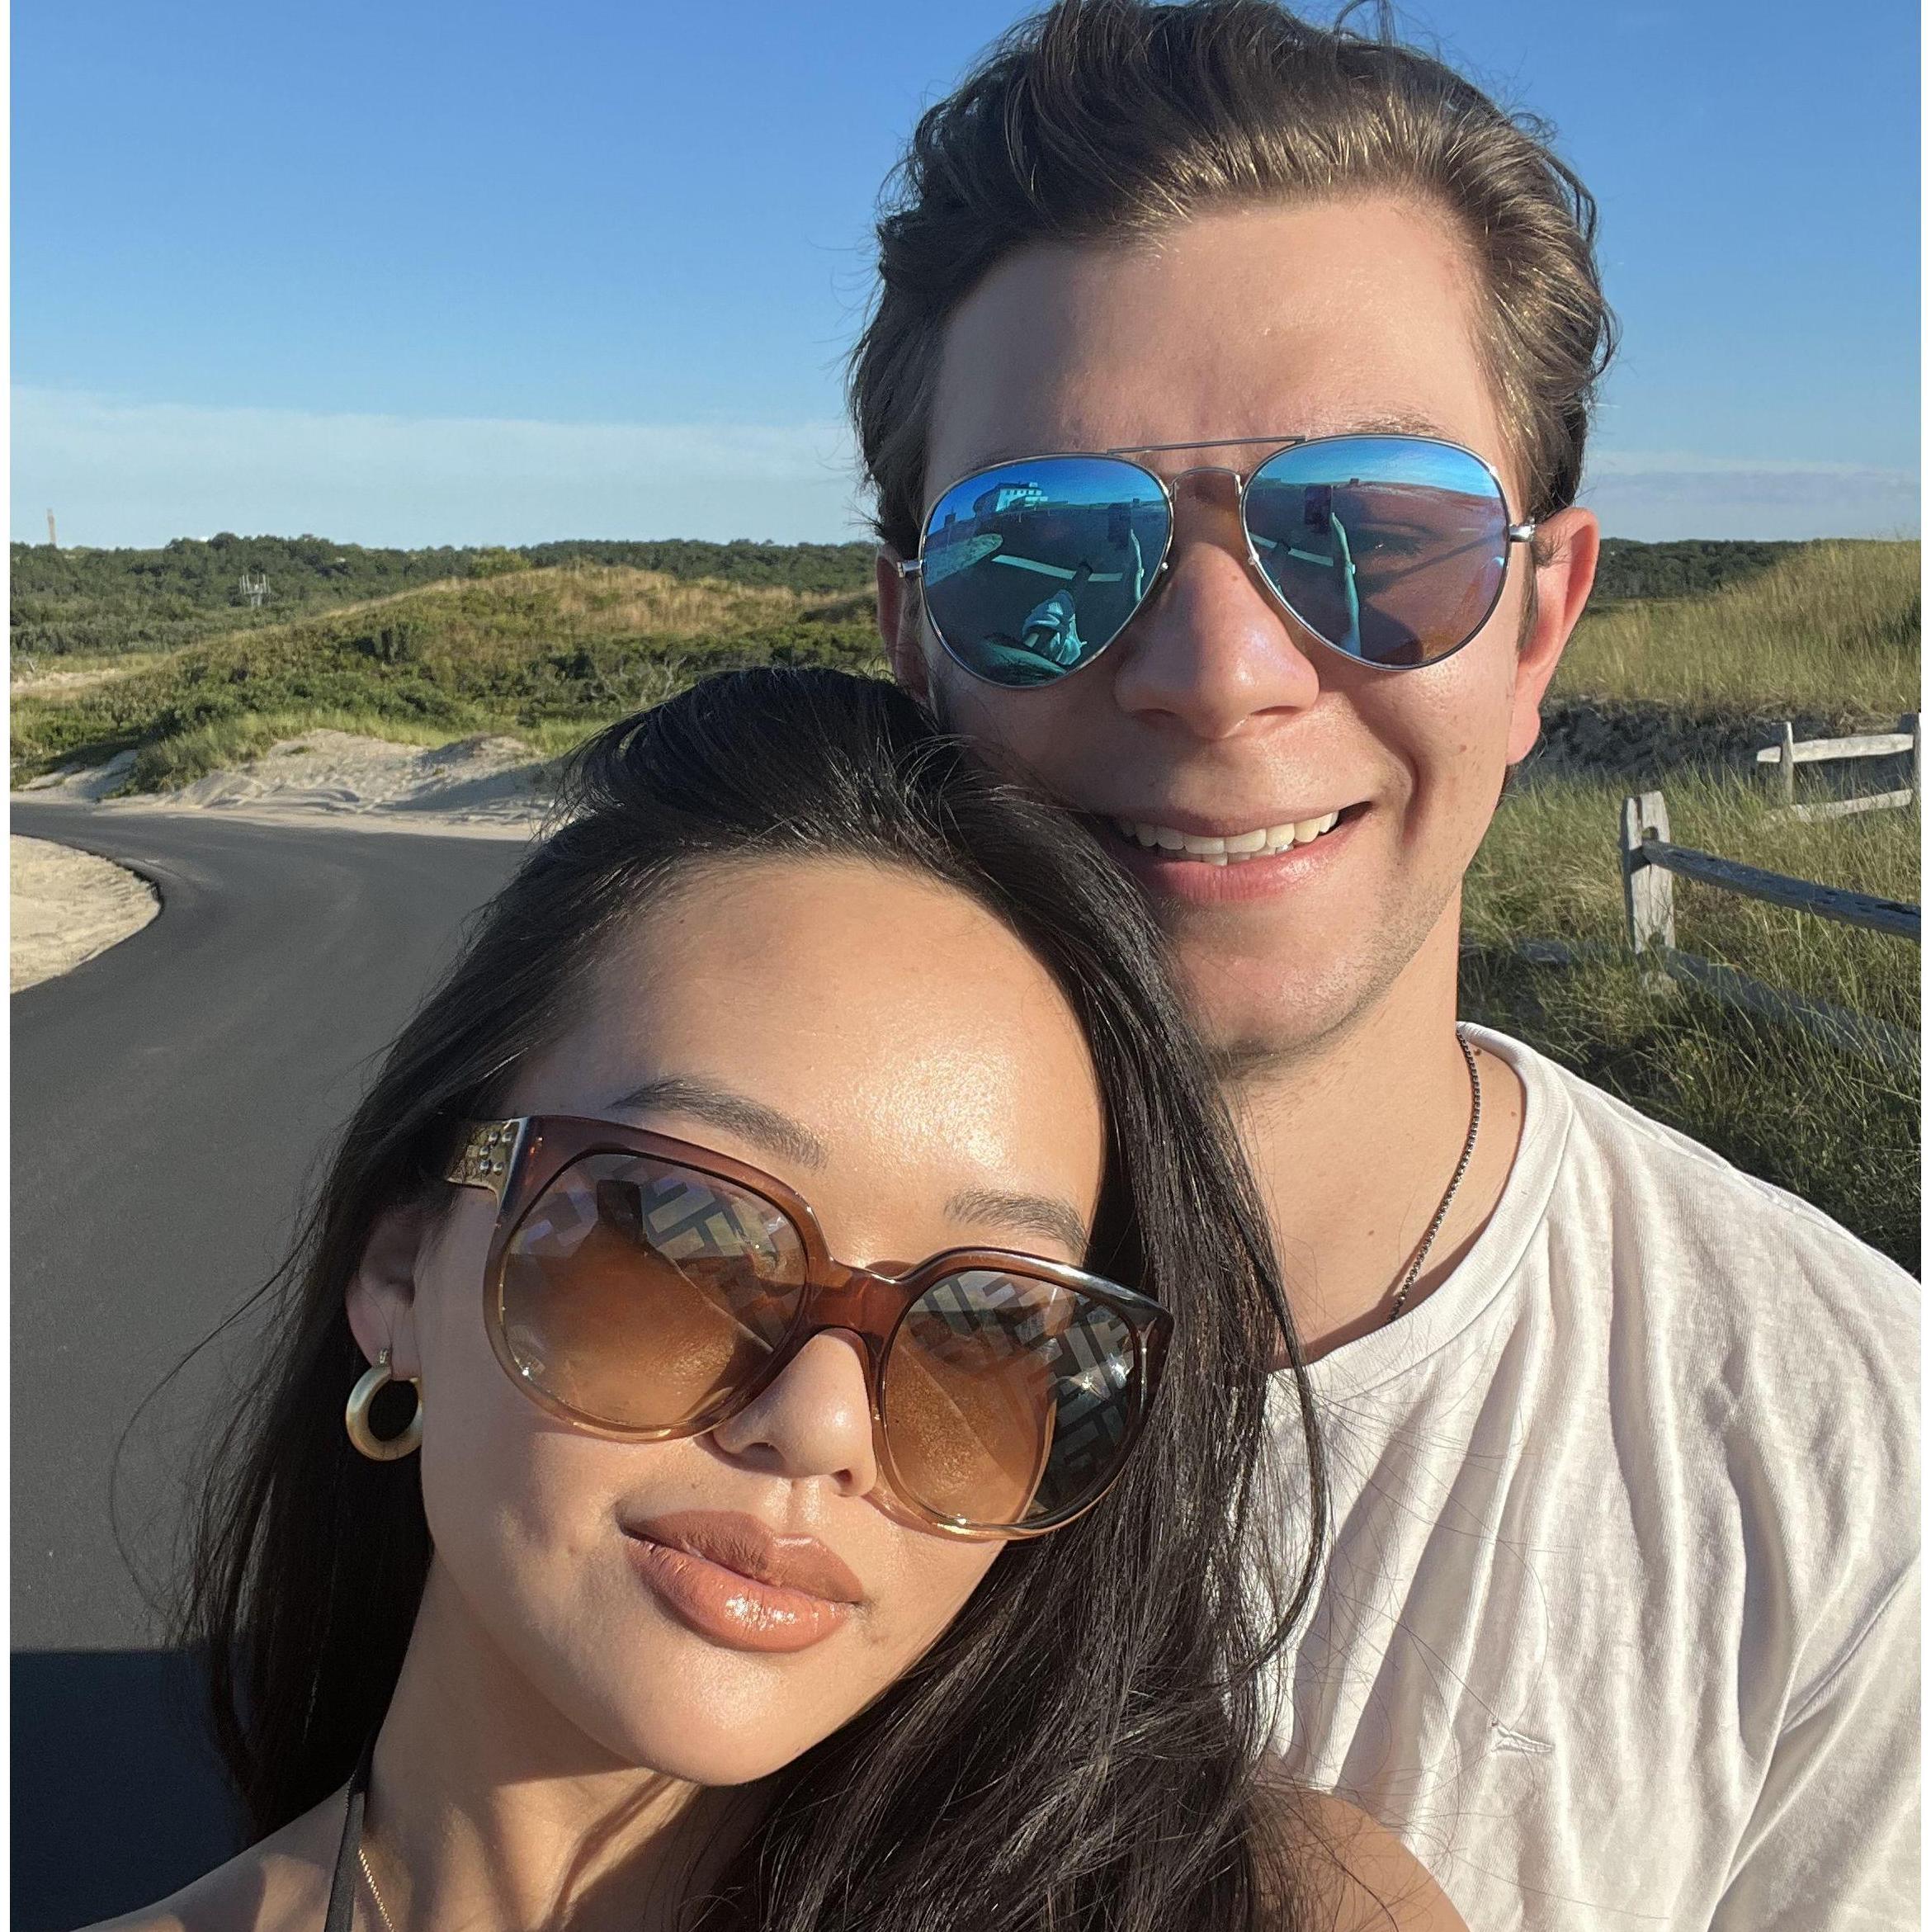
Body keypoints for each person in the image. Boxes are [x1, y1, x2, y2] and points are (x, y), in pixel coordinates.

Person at [858, 4, 1919, 1926]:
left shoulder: (1851, 1463)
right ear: (914, 640)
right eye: (1042, 552)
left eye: (1368, 537)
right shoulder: (662, 1309)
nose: (1215, 672)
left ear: (1536, 630)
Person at [98, 669, 1461, 1932]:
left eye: (991, 1331)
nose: (820, 1420)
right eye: (683, 1246)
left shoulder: (1278, 1906)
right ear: (402, 1270)